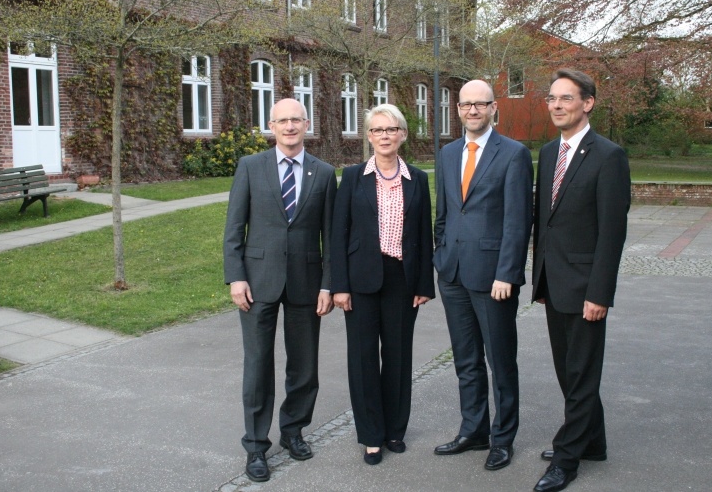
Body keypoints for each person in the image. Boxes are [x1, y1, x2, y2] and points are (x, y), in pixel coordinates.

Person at [223, 98, 337, 483]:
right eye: (282, 121)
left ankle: (293, 431)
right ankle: (256, 446)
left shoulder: (323, 173)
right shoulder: (251, 167)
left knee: (304, 365)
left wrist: (328, 283)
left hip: (307, 282)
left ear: (307, 124)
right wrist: (236, 277)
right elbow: (233, 229)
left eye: (296, 120)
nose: (290, 126)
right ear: (270, 126)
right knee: (257, 366)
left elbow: (331, 237)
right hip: (257, 282)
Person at [531, 69, 631, 492]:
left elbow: (612, 232)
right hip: (554, 282)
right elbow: (546, 220)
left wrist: (599, 293)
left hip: (586, 286)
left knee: (582, 372)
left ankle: (567, 458)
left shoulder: (609, 156)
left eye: (565, 98)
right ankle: (594, 442)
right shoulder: (549, 153)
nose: (556, 105)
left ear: (587, 103)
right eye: (552, 98)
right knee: (569, 371)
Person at [433, 80, 533, 471]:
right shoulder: (447, 154)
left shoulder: (513, 154)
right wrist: (441, 258)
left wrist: (507, 272)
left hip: (494, 278)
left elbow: (517, 220)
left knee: (500, 361)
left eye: (480, 104)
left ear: (494, 108)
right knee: (466, 360)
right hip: (453, 274)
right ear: (457, 109)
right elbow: (445, 212)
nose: (472, 111)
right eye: (465, 105)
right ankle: (474, 429)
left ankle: (503, 439)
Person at [331, 104, 435, 465]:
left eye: (391, 129)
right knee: (362, 359)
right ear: (369, 137)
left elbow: (424, 235)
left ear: (403, 134)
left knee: (398, 356)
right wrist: (338, 285)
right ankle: (371, 435)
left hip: (402, 280)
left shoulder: (418, 179)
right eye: (377, 130)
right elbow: (337, 233)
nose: (385, 136)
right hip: (360, 280)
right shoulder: (353, 176)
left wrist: (425, 283)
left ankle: (394, 430)